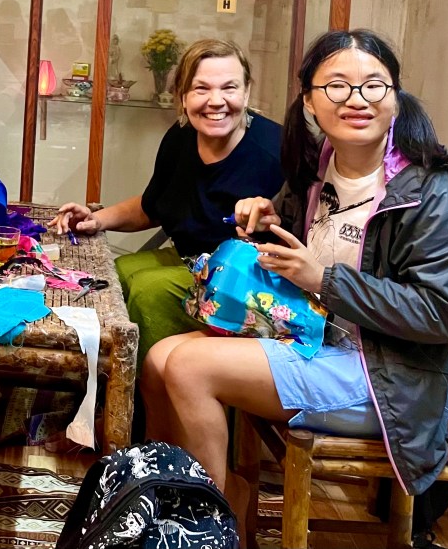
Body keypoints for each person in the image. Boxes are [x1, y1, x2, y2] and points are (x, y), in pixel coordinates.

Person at [142, 29, 448, 535]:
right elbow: (302, 240)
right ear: (310, 102)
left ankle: (213, 524)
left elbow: (439, 314)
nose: (357, 100)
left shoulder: (429, 189)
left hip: (390, 377)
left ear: (395, 97)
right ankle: (176, 495)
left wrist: (324, 279)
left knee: (189, 365)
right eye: (337, 85)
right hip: (315, 339)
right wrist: (268, 215)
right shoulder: (319, 167)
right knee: (159, 358)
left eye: (374, 85)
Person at [49, 39, 283, 365]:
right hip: (191, 258)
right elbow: (153, 206)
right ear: (183, 97)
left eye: (229, 88)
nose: (216, 101)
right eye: (201, 89)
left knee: (149, 290)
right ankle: (101, 377)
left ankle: (135, 392)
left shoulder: (277, 150)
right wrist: (96, 219)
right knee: (121, 271)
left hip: (250, 277)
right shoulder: (180, 136)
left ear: (246, 93)